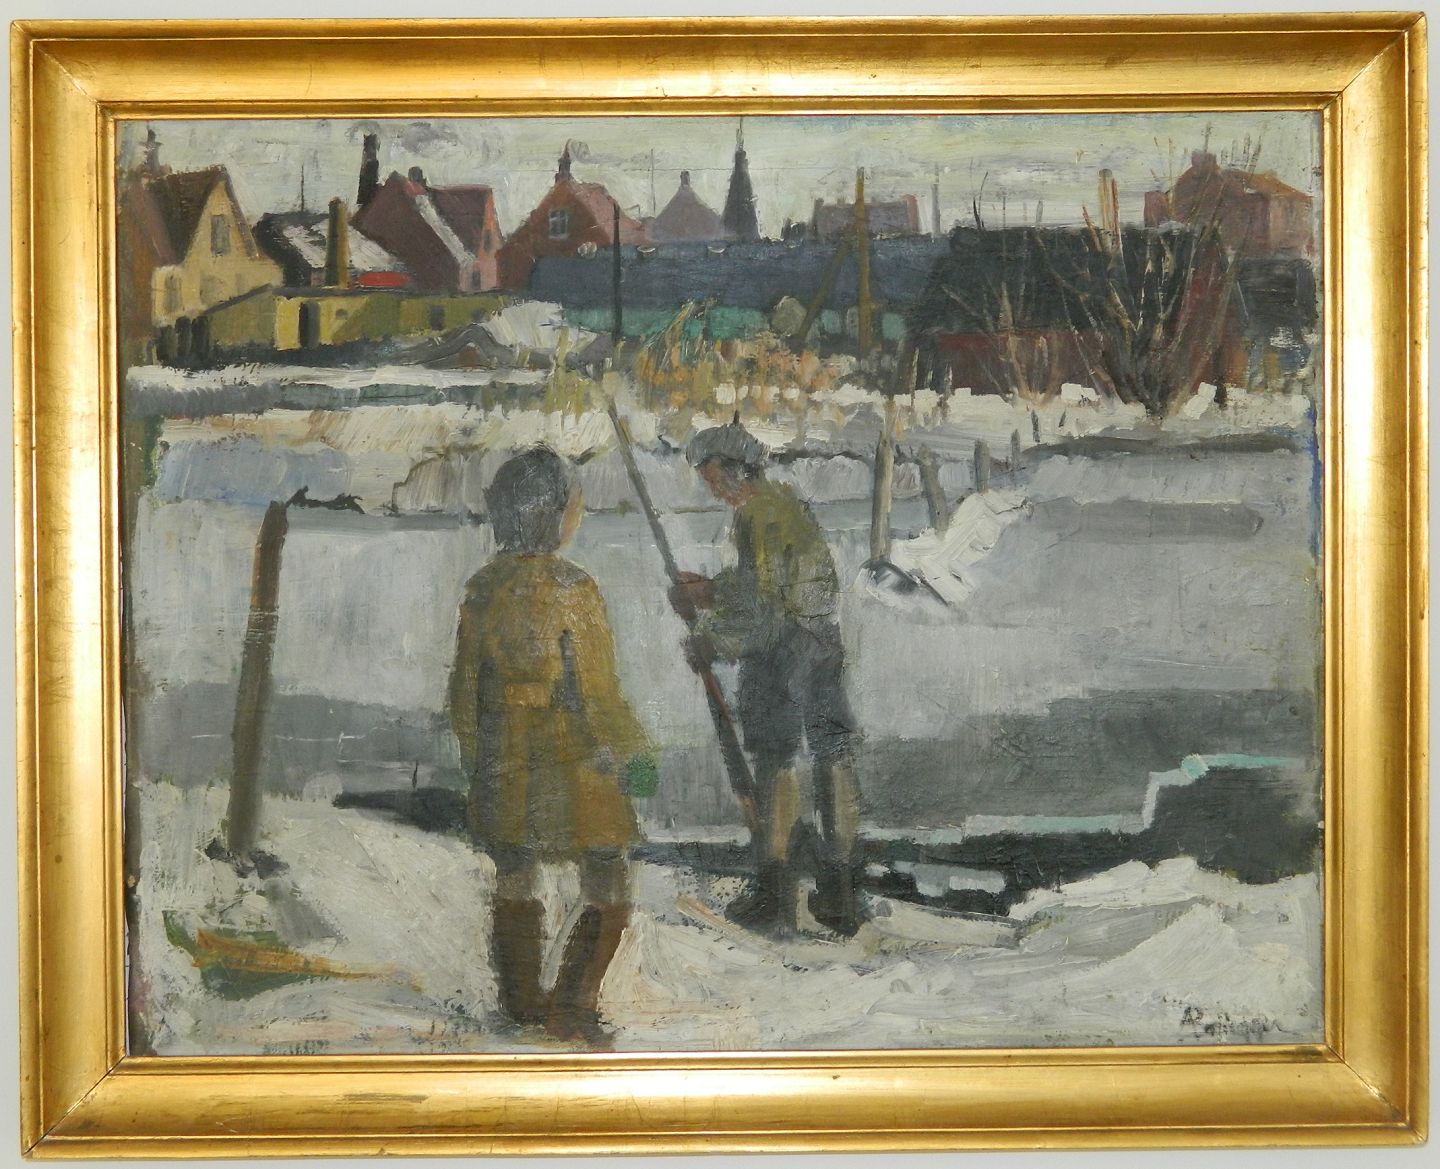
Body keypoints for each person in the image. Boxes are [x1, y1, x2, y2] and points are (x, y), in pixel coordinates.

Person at [447, 446, 654, 1045]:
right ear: (556, 513)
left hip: (505, 757)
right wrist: (634, 754)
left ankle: (520, 999)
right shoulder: (573, 589)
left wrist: (476, 757)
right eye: (575, 505)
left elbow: (464, 689)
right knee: (607, 873)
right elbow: (597, 691)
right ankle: (574, 1003)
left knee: (516, 870)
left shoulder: (483, 588)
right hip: (574, 759)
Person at [670, 417, 865, 937]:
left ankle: (776, 894)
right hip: (821, 642)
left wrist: (711, 639)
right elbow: (765, 581)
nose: (711, 487)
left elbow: (762, 603)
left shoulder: (757, 514)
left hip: (782, 650)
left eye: (712, 476)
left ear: (733, 470)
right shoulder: (786, 505)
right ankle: (841, 890)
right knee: (832, 756)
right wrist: (711, 591)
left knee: (776, 761)